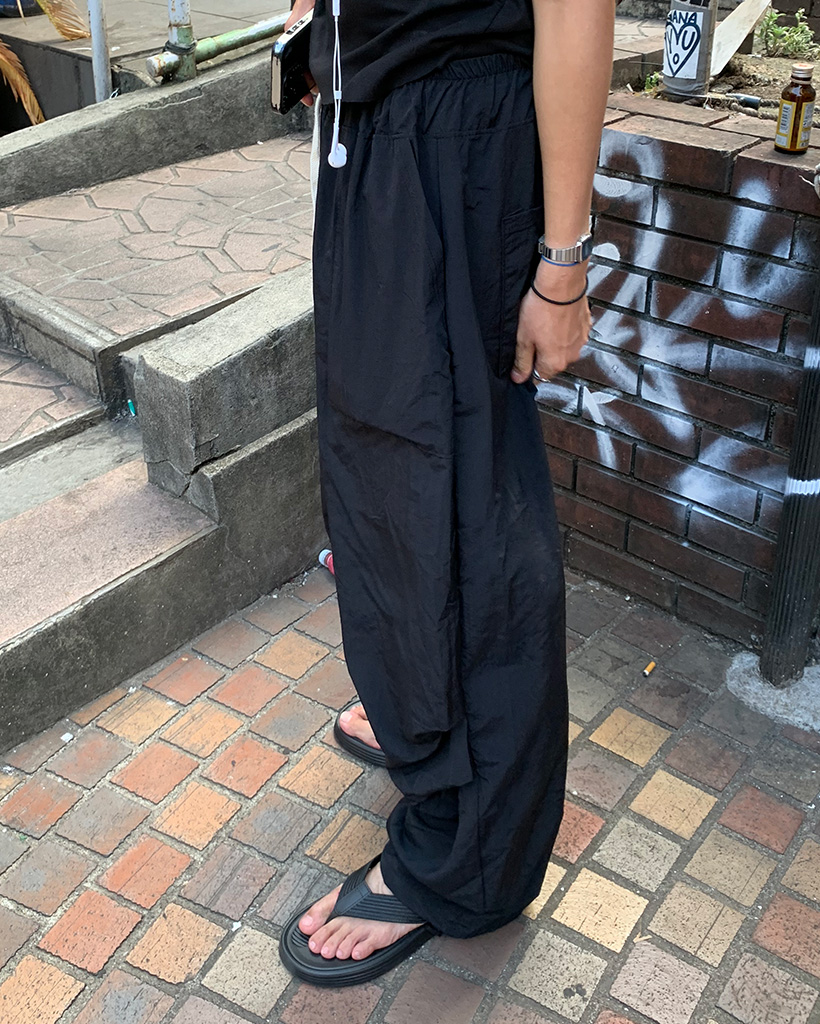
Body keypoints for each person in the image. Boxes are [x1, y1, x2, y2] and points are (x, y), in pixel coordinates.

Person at [277, 0, 616, 987]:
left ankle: (470, 857)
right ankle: (424, 722)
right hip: (377, 139)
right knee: (387, 480)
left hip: (453, 153)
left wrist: (562, 265)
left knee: (462, 510)